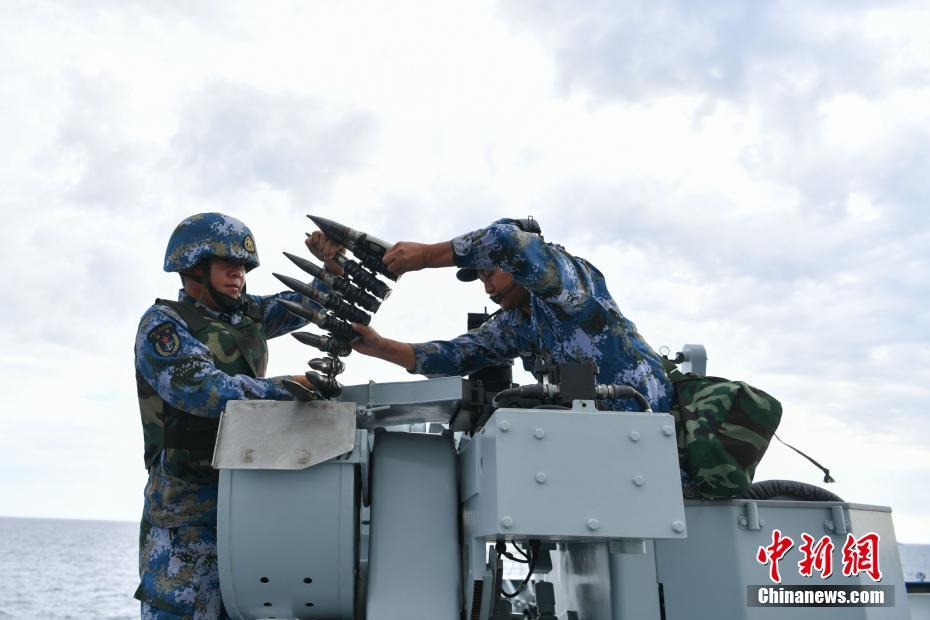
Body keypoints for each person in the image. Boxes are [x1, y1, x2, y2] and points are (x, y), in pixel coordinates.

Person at [134, 213, 326, 619]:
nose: (238, 275)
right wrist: (283, 387)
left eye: (243, 268)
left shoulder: (248, 315)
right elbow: (202, 390)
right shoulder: (163, 325)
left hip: (246, 506)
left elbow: (312, 304)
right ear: (193, 267)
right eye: (228, 265)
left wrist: (334, 265)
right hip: (184, 520)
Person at [312, 217, 672, 412]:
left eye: (489, 273)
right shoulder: (519, 322)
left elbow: (507, 243)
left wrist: (425, 256)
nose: (487, 287)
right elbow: (457, 355)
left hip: (658, 435)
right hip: (602, 455)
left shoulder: (571, 281)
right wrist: (377, 346)